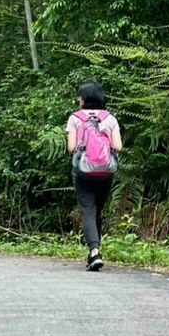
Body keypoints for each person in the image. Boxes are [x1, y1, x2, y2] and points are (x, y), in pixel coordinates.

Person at [65, 80, 121, 271]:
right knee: (96, 210)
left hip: (83, 172)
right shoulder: (110, 118)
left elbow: (71, 148)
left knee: (88, 210)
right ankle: (94, 252)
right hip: (106, 171)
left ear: (85, 98)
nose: (78, 99)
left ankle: (94, 252)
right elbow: (118, 147)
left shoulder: (75, 118)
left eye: (79, 96)